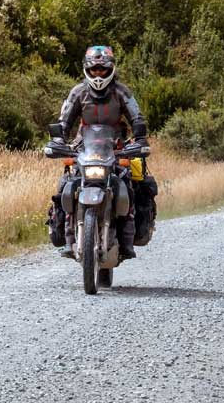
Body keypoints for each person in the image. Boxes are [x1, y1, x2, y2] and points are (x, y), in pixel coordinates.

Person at [47, 45, 157, 259]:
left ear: (111, 69)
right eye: (94, 69)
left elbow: (137, 117)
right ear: (87, 69)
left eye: (102, 69)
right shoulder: (78, 92)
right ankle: (67, 238)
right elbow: (64, 121)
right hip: (84, 149)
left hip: (115, 148)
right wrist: (59, 139)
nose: (98, 73)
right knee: (66, 186)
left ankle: (127, 240)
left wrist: (139, 138)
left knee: (129, 184)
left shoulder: (122, 92)